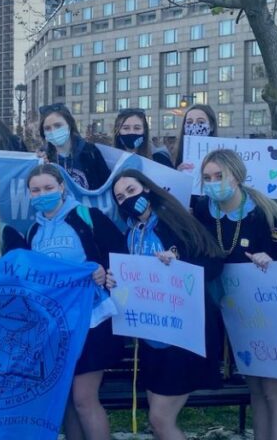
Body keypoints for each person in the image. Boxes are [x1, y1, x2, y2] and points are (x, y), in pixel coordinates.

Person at [191, 149, 277, 440]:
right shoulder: (203, 212)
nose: (213, 182)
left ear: (237, 176)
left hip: (271, 315)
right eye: (207, 178)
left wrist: (273, 262)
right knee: (256, 388)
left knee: (275, 390)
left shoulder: (269, 216)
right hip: (234, 316)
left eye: (220, 176)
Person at [111, 169, 224, 439]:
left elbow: (214, 263)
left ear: (147, 189)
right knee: (156, 420)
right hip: (152, 338)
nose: (127, 198)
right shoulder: (130, 232)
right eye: (119, 196)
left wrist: (179, 268)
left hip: (184, 335)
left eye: (131, 190)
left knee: (161, 419)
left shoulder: (175, 221)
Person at [25, 164, 126, 440]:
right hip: (56, 327)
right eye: (36, 190)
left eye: (48, 188)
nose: (42, 193)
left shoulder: (87, 216)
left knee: (84, 399)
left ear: (62, 188)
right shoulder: (33, 231)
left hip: (91, 321)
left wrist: (104, 271)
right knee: (67, 400)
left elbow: (120, 255)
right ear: (30, 195)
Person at [38, 103, 110, 190]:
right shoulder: (42, 157)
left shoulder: (91, 152)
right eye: (47, 128)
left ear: (69, 125)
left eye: (58, 125)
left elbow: (107, 185)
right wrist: (41, 167)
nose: (53, 131)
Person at [174, 104, 218, 172]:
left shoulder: (223, 155)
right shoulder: (175, 154)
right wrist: (178, 174)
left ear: (211, 126)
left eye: (200, 122)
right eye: (189, 122)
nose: (194, 125)